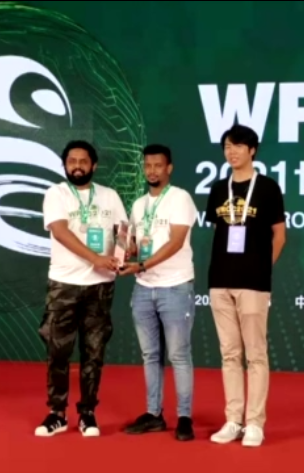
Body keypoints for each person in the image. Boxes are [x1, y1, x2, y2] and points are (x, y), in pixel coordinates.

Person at [35, 140, 128, 437]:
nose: (77, 166)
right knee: (57, 351)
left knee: (94, 352)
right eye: (72, 161)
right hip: (64, 284)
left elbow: (123, 232)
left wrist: (123, 255)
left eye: (83, 161)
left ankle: (88, 413)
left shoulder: (110, 196)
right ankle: (57, 413)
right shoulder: (56, 194)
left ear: (94, 165)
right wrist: (96, 258)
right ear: (65, 165)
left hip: (100, 286)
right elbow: (60, 232)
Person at [204, 124, 286, 447]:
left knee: (256, 355)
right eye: (227, 146)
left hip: (253, 283)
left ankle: (255, 423)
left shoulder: (267, 188)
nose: (231, 151)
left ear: (252, 150)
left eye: (238, 146)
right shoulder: (217, 188)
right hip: (219, 281)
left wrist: (262, 268)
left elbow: (279, 235)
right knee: (229, 354)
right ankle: (233, 420)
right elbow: (219, 231)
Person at [119, 144, 198, 441]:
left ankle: (184, 417)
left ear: (169, 168)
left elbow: (176, 242)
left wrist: (141, 264)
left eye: (158, 165)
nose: (152, 171)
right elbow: (136, 244)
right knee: (150, 355)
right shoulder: (139, 205)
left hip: (175, 286)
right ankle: (154, 414)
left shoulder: (180, 198)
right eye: (148, 165)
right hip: (144, 288)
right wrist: (125, 249)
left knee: (178, 355)